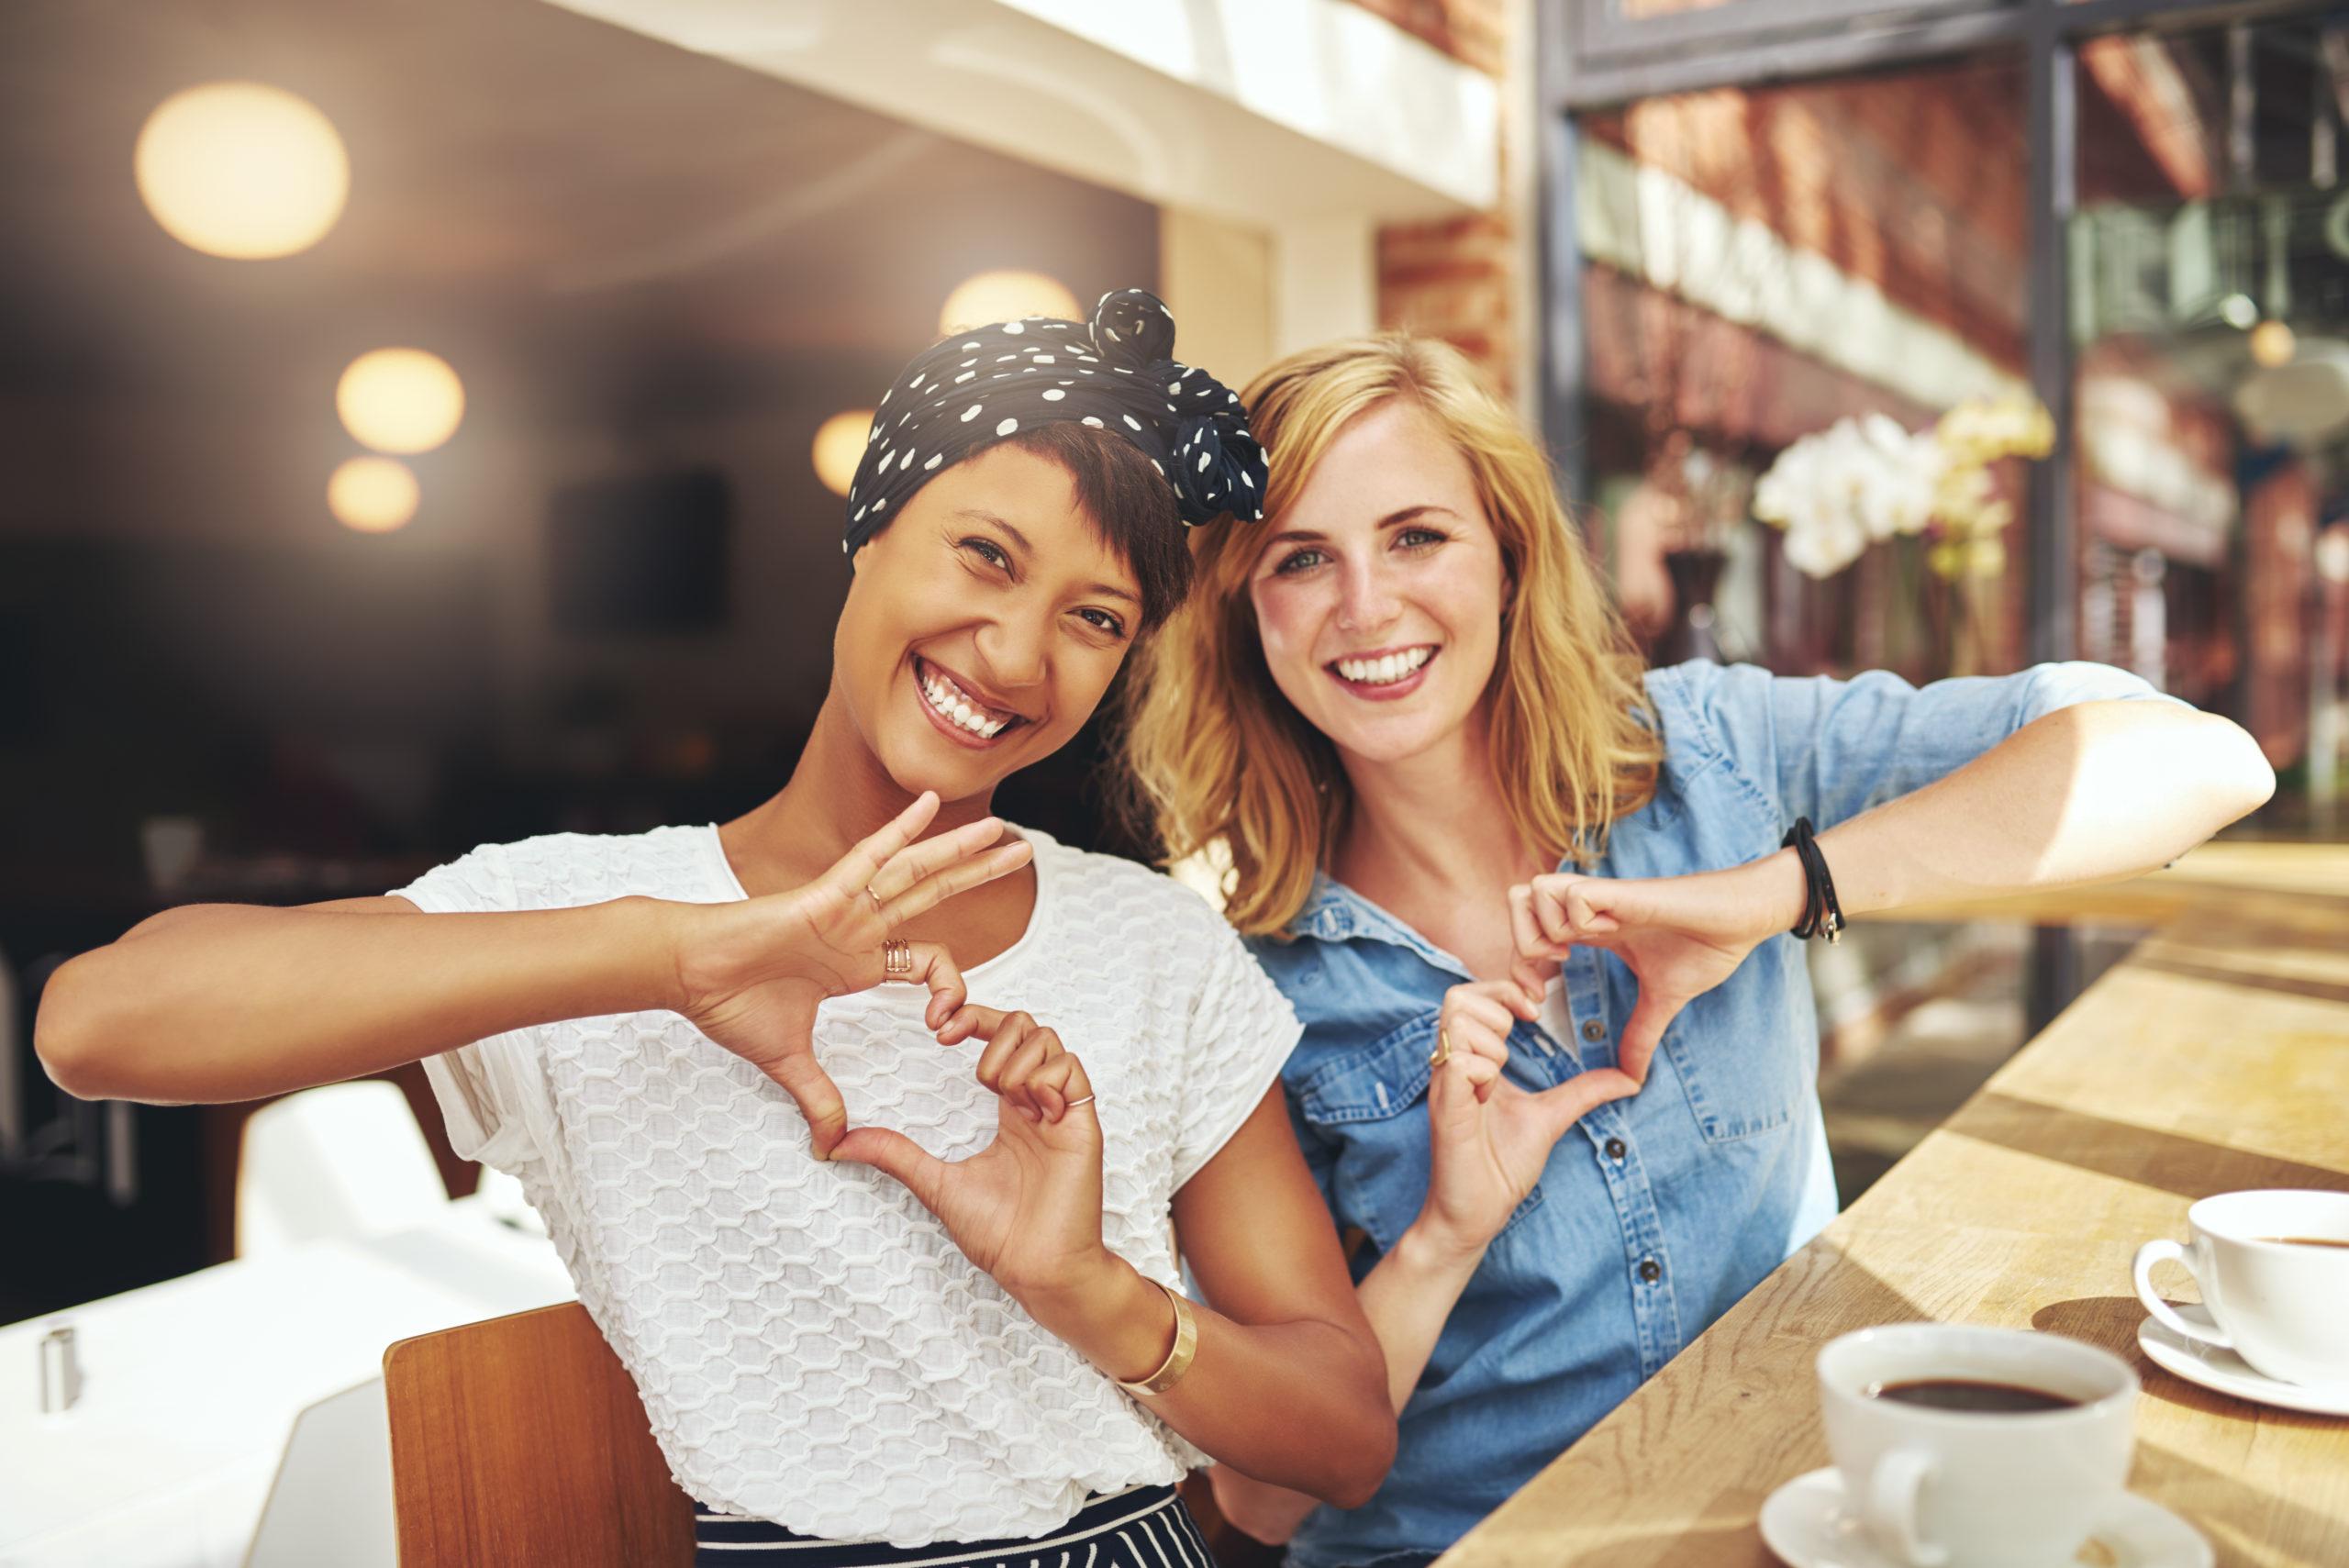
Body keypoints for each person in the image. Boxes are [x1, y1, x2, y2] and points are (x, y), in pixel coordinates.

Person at [37, 292, 1395, 1567]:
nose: (1019, 655)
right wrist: (677, 955)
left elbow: (1344, 1434)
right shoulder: (586, 907)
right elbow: (99, 1022)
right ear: (872, 526)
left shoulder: (1153, 943)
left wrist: (1090, 1290)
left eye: (1094, 619)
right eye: (986, 553)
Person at [1121, 332, 2276, 1568]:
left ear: (1509, 556)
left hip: (1798, 1511)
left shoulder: (1714, 756)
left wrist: (1785, 886)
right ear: (1246, 608)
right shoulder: (1245, 976)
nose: (1367, 604)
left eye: (1416, 535)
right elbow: (1260, 1498)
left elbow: (2204, 761)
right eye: (1303, 558)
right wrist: (1447, 1235)